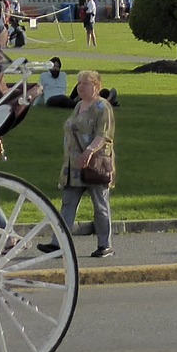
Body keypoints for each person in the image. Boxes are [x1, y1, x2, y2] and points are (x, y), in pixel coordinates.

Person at [60, 70, 115, 258]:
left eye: (85, 83)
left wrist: (89, 151)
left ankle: (104, 245)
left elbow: (103, 134)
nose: (80, 87)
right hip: (74, 166)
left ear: (96, 87)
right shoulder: (78, 106)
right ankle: (59, 244)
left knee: (100, 204)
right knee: (68, 203)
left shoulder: (102, 107)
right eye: (79, 83)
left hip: (95, 165)